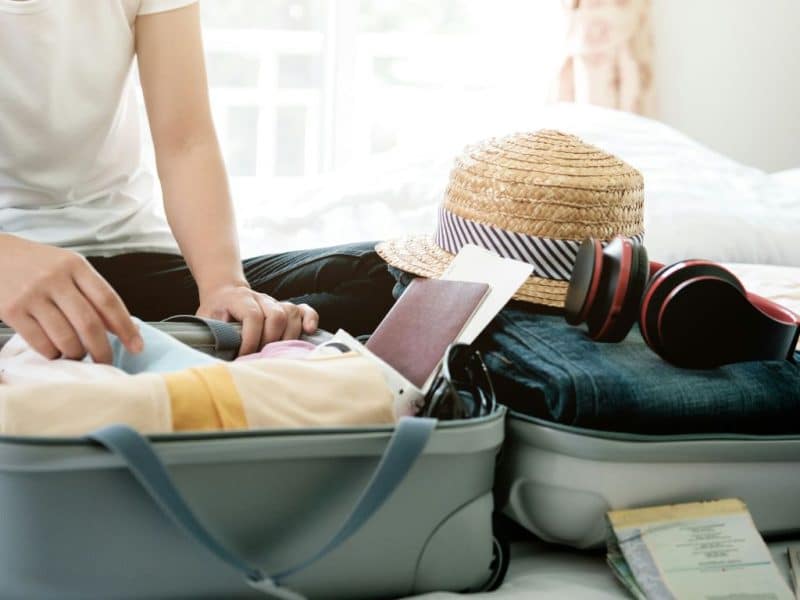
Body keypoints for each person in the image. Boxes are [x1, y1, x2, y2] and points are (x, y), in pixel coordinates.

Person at [0, 0, 395, 364]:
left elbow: (185, 142)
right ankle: (177, 348)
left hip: (133, 258)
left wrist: (223, 286)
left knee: (392, 277)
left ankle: (175, 341)